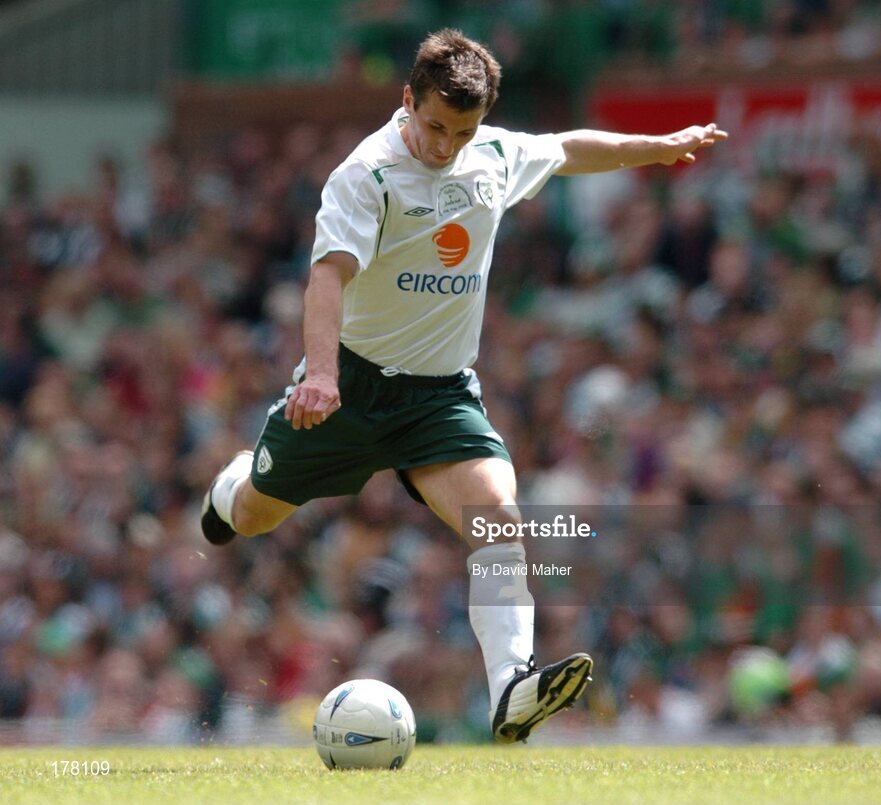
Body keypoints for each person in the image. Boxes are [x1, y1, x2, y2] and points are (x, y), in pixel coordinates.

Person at [201, 28, 728, 743]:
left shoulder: (491, 155)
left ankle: (512, 684)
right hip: (351, 388)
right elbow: (328, 275)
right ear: (408, 100)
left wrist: (657, 147)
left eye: (463, 130)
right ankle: (231, 486)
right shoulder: (368, 174)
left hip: (440, 396)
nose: (446, 144)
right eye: (436, 126)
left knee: (496, 514)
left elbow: (568, 148)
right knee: (254, 516)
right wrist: (320, 374)